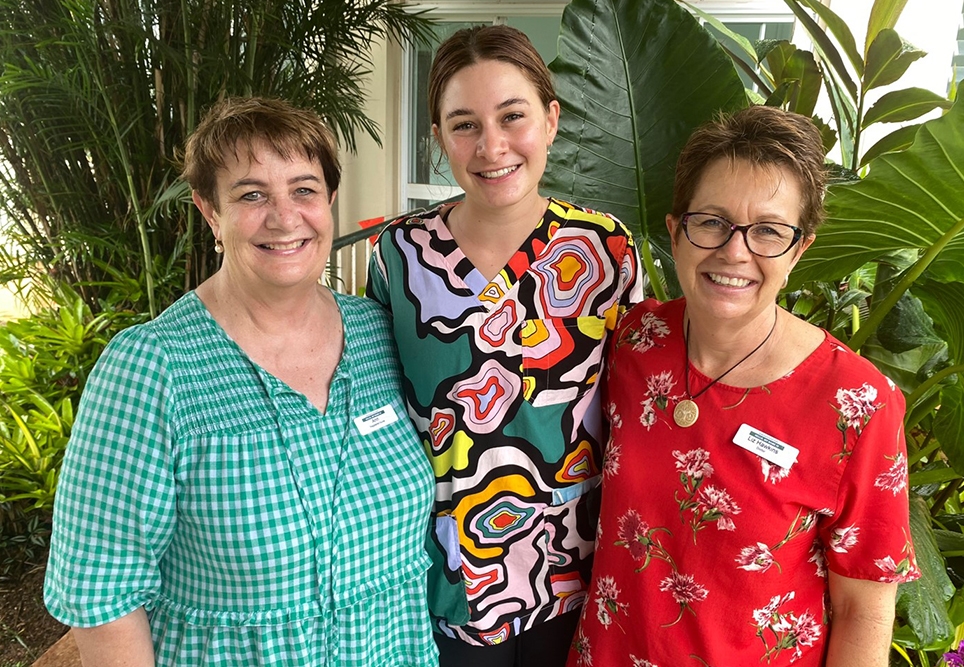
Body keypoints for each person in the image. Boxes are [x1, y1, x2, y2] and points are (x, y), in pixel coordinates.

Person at [44, 97, 438, 667]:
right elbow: (102, 593)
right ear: (210, 213)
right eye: (252, 195)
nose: (283, 216)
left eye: (304, 189)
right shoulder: (151, 369)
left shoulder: (380, 333)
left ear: (329, 201)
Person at [566, 105, 919, 667]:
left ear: (799, 248)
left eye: (768, 231)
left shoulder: (856, 403)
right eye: (712, 221)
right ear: (676, 230)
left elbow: (864, 612)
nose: (735, 251)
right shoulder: (633, 341)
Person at [367, 24, 644, 667]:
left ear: (550, 121)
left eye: (511, 116)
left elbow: (637, 405)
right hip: (441, 575)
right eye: (464, 124)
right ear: (438, 139)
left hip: (571, 570)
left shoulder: (606, 251)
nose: (491, 146)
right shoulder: (399, 255)